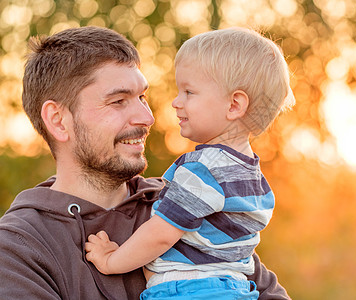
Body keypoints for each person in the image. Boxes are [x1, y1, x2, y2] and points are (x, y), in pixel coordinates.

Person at [0, 26, 290, 299]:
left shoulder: (188, 202)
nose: (147, 118)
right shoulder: (19, 247)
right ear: (58, 120)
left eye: (142, 97)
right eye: (118, 101)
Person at [85, 27, 295, 299]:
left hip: (190, 290)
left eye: (189, 92)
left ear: (234, 105)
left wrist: (111, 260)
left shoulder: (204, 169)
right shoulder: (253, 178)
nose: (176, 102)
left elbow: (161, 234)